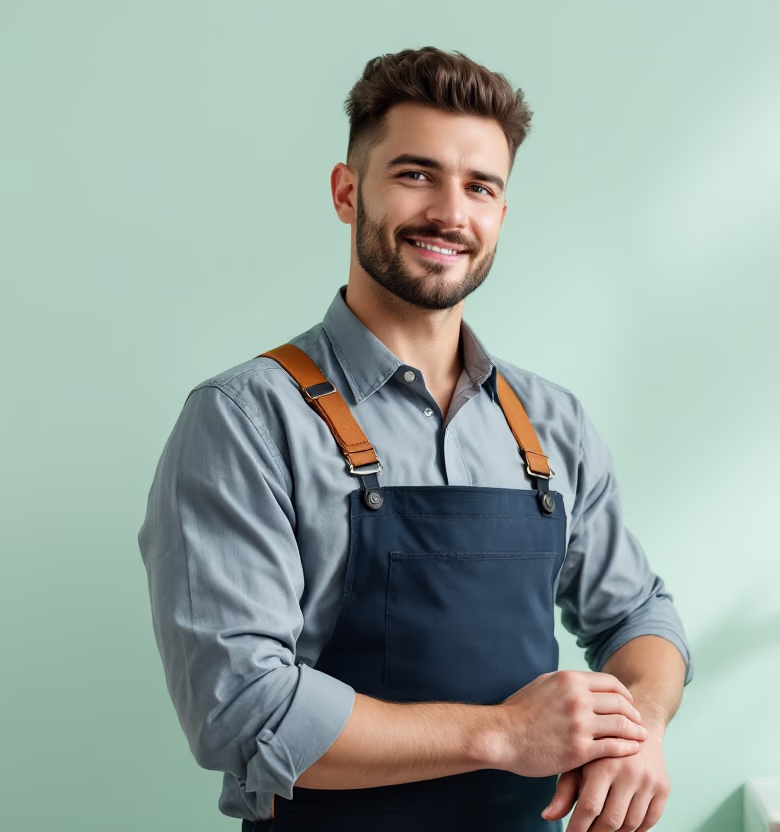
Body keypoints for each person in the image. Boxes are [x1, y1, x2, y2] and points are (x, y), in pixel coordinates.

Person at [137, 46, 692, 832]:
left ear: (501, 213)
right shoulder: (246, 419)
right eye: (415, 174)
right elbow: (241, 706)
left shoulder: (550, 423)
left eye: (480, 187)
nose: (450, 213)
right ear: (346, 191)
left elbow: (639, 615)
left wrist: (637, 728)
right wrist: (501, 734)